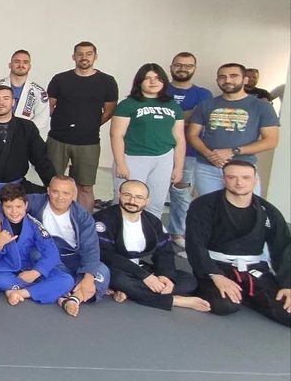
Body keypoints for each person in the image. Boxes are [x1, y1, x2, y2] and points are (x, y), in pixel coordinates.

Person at [185, 161, 290, 326]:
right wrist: (215, 275)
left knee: (287, 311)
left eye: (246, 178)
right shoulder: (204, 205)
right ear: (223, 179)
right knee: (224, 305)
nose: (239, 182)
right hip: (217, 267)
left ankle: (247, 292)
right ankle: (243, 293)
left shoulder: (268, 211)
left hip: (254, 269)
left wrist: (287, 285)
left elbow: (283, 248)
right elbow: (195, 244)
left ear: (255, 181)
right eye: (232, 177)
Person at [0, 176, 110, 311]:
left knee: (101, 271)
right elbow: (7, 202)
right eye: (55, 191)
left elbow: (91, 248)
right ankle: (66, 292)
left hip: (72, 257)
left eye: (66, 193)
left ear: (74, 194)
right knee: (36, 256)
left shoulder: (82, 215)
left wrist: (89, 277)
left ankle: (73, 297)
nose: (60, 197)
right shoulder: (37, 201)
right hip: (45, 253)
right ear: (48, 191)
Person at [95, 180, 209, 312]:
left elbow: (165, 252)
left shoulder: (152, 221)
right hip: (114, 267)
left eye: (139, 197)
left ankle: (133, 291)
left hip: (140, 267)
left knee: (189, 280)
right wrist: (145, 277)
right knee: (119, 280)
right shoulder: (103, 218)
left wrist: (165, 275)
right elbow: (106, 255)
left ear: (146, 201)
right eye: (127, 195)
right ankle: (174, 300)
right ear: (119, 195)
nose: (132, 201)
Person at [0, 184, 76, 315]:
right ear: (2, 207)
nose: (14, 211)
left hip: (28, 268)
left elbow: (52, 253)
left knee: (67, 280)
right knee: (0, 281)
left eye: (18, 206)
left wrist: (36, 272)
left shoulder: (34, 224)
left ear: (26, 205)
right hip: (3, 269)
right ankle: (50, 292)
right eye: (8, 207)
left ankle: (20, 292)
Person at [0, 85, 56, 224]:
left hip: (16, 189)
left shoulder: (27, 127)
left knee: (17, 226)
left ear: (13, 102)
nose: (1, 102)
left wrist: (53, 184)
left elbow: (40, 159)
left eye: (6, 98)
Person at [46, 41, 119, 211]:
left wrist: (89, 125)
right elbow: (48, 106)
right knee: (52, 182)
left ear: (95, 56)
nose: (84, 57)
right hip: (58, 139)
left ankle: (83, 222)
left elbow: (109, 111)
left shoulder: (107, 81)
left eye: (88, 54)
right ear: (74, 56)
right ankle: (51, 220)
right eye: (80, 54)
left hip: (88, 142)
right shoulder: (60, 79)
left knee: (85, 187)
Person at [187, 63, 280, 196]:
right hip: (207, 169)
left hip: (243, 169)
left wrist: (232, 151)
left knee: (244, 208)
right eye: (222, 77)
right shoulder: (206, 104)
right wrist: (209, 155)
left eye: (233, 76)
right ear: (217, 80)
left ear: (245, 79)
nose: (227, 80)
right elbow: (192, 135)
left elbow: (271, 140)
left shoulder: (262, 106)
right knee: (210, 207)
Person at [110, 64, 185, 215]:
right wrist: (120, 163)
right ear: (139, 82)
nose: (153, 82)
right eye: (147, 78)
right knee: (126, 202)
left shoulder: (173, 106)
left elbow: (179, 138)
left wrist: (178, 167)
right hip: (133, 157)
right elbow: (116, 135)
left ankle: (152, 230)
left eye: (157, 78)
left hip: (164, 158)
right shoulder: (128, 105)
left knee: (155, 204)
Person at [166, 52, 213, 247]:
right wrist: (187, 115)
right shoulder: (160, 88)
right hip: (158, 149)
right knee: (151, 191)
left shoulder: (203, 94)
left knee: (181, 193)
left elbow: (200, 117)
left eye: (188, 65)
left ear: (194, 68)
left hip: (189, 152)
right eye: (178, 65)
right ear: (171, 67)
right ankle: (151, 230)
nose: (182, 69)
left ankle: (178, 232)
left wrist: (169, 114)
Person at [0, 49, 50, 137]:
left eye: (25, 62)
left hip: (25, 136)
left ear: (29, 66)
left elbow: (42, 117)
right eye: (17, 61)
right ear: (10, 65)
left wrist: (24, 131)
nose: (21, 65)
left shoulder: (39, 92)